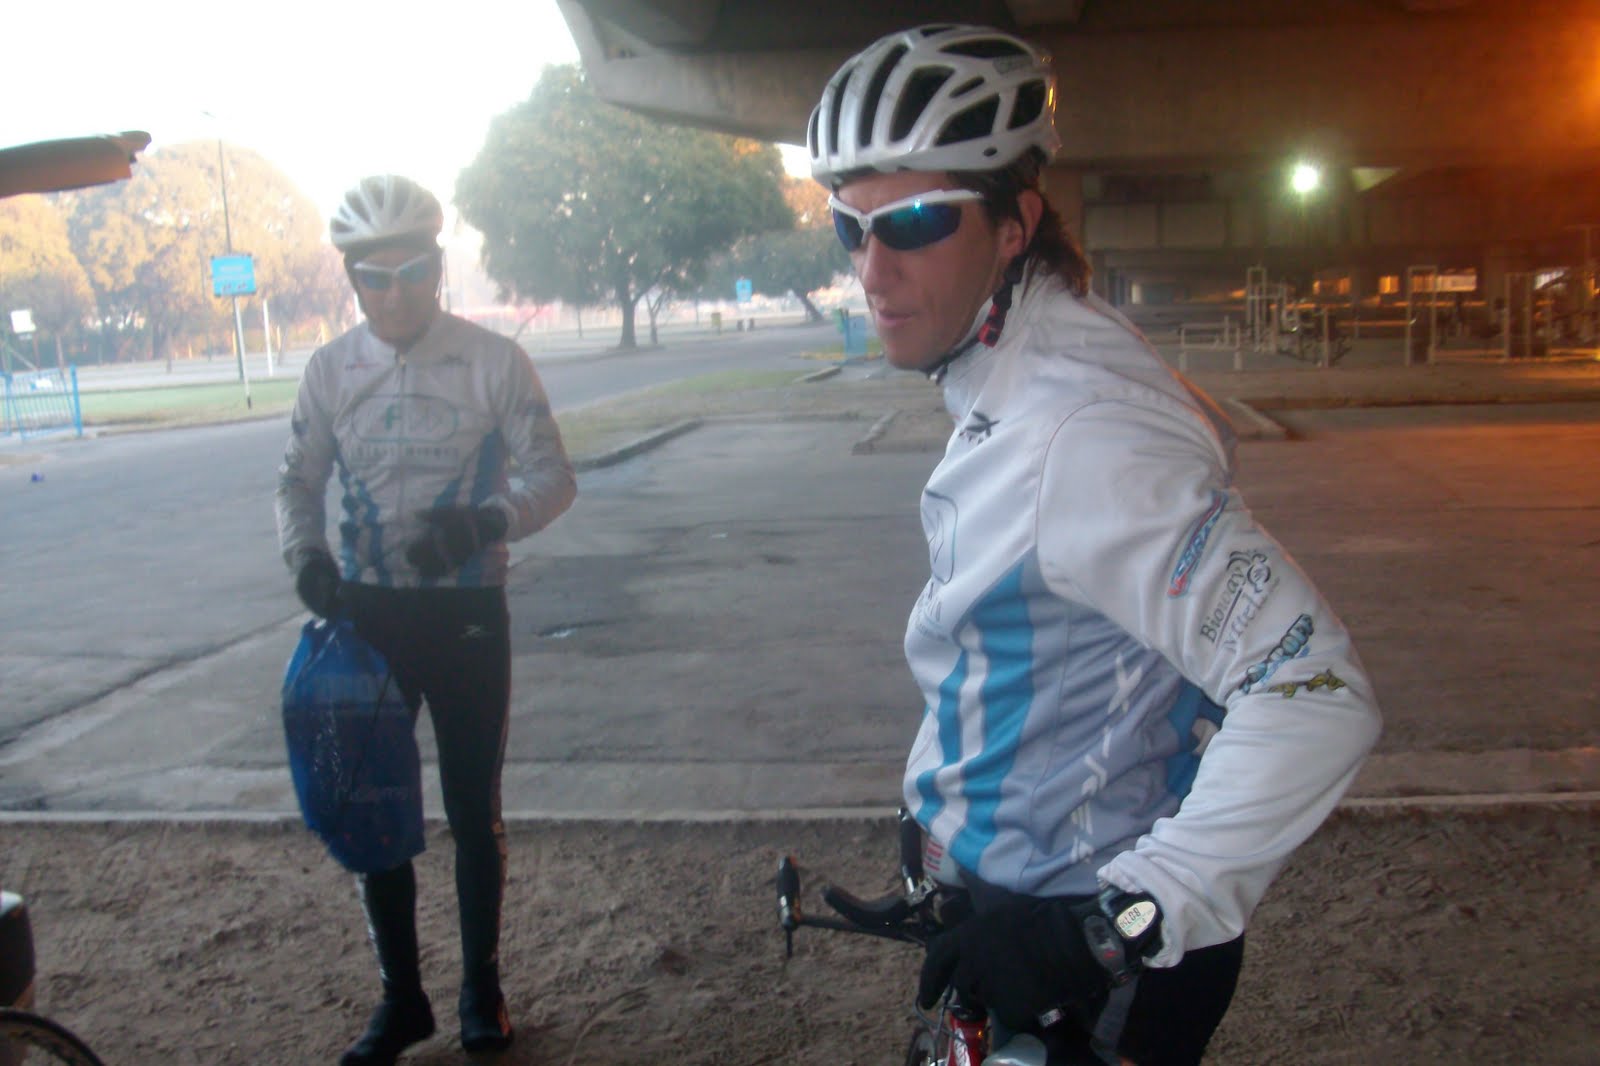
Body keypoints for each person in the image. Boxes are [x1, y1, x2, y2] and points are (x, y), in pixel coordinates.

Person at [807, 26, 1382, 1066]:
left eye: (917, 222)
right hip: (1017, 907)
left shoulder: (1083, 432)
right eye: (848, 226)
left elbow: (1313, 687)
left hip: (1085, 950)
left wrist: (1108, 930)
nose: (872, 270)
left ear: (1015, 224)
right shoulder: (1010, 364)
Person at [276, 174, 576, 1065]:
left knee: (472, 810)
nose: (395, 293)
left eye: (412, 272)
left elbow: (554, 477)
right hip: (368, 619)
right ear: (352, 280)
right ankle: (401, 1001)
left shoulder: (494, 361)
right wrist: (307, 562)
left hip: (467, 614)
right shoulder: (330, 370)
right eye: (374, 277)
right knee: (372, 812)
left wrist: (484, 523)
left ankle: (482, 989)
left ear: (438, 269)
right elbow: (297, 482)